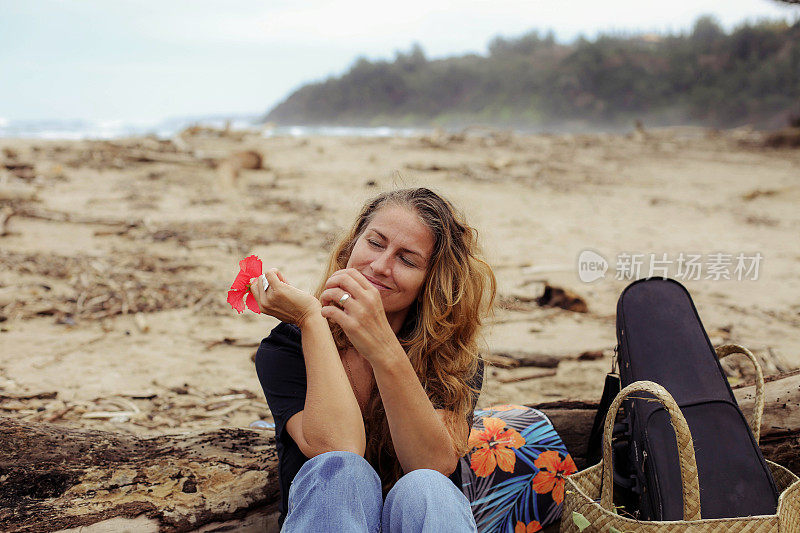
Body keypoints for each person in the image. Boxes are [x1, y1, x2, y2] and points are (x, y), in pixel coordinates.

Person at [250, 187, 496, 532]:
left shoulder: (453, 357)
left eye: (407, 259)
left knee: (427, 488)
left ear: (432, 280)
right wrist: (312, 320)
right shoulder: (287, 347)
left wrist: (383, 349)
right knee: (342, 473)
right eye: (375, 243)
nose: (380, 266)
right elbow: (339, 448)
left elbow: (434, 462)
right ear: (352, 244)